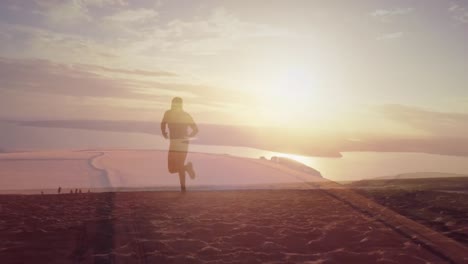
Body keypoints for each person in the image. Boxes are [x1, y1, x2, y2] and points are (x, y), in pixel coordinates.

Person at [161, 97, 198, 192]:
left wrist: (187, 137)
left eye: (177, 104)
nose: (175, 106)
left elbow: (195, 129)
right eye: (174, 104)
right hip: (173, 143)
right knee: (171, 169)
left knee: (179, 164)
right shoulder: (168, 113)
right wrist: (163, 132)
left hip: (182, 143)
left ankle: (183, 188)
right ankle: (187, 168)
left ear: (181, 105)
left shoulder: (185, 115)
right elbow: (163, 123)